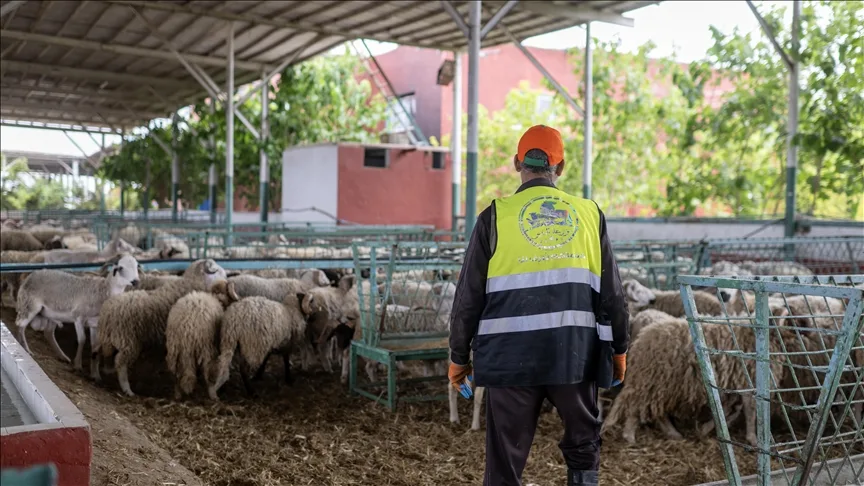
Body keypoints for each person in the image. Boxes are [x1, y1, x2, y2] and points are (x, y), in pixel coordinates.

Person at [447, 125, 630, 486]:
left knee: (504, 459)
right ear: (560, 168)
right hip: (575, 356)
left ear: (517, 163)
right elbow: (613, 297)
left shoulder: (494, 216)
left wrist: (458, 357)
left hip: (508, 358)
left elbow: (467, 298)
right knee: (583, 444)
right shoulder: (589, 215)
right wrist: (619, 349)